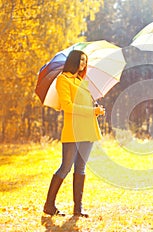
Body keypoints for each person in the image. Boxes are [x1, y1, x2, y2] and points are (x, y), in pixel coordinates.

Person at [43, 50, 105, 217]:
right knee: (65, 167)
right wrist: (92, 111)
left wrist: (97, 110)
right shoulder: (63, 80)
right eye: (81, 60)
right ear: (73, 61)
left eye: (85, 61)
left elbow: (85, 104)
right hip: (73, 130)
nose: (83, 64)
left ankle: (78, 209)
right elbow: (68, 106)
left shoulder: (81, 81)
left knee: (81, 168)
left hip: (88, 130)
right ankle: (49, 205)